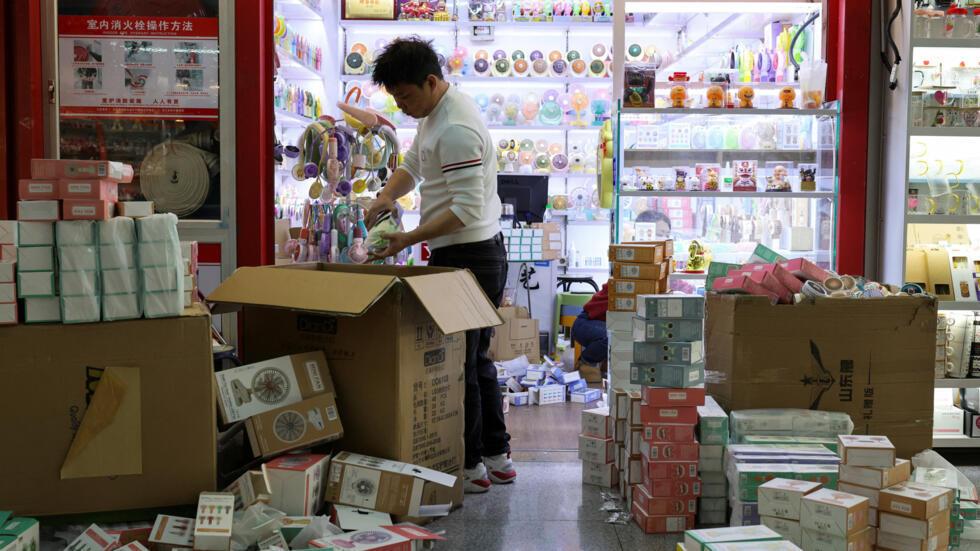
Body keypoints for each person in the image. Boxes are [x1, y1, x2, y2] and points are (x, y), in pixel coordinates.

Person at [365, 38, 514, 494]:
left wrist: (407, 239)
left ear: (431, 82)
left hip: (470, 256)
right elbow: (414, 163)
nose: (402, 106)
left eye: (406, 96)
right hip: (463, 252)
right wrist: (386, 196)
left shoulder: (456, 128)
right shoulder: (434, 113)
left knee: (461, 365)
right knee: (475, 360)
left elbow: (465, 210)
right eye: (396, 98)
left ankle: (471, 467)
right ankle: (496, 457)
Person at [571, 283, 608, 383]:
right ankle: (586, 361)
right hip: (584, 323)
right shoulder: (619, 287)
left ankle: (606, 363)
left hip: (595, 324)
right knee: (611, 335)